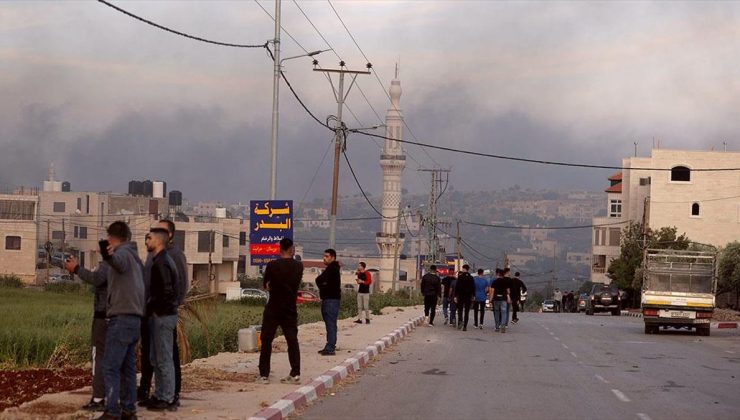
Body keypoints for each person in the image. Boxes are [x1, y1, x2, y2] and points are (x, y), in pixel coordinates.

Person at [65, 221, 145, 420]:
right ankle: (128, 410)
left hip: (120, 318)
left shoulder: (122, 255)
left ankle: (112, 411)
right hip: (135, 319)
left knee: (109, 365)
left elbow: (109, 269)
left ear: (111, 237)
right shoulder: (136, 258)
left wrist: (106, 256)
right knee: (127, 368)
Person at [138, 219, 188, 407]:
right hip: (151, 314)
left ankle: (169, 396)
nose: (147, 239)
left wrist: (163, 308)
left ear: (166, 237)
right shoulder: (155, 257)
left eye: (154, 234)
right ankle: (156, 393)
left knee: (167, 356)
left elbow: (175, 289)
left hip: (162, 314)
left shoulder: (171, 257)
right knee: (153, 356)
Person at [257, 238, 303, 384]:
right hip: (290, 308)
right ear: (292, 249)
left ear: (279, 249)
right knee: (292, 340)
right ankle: (295, 373)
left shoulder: (272, 265)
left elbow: (266, 285)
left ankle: (264, 374)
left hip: (274, 307)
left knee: (266, 340)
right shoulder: (299, 266)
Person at [69, 257, 109, 412]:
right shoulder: (132, 261)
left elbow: (96, 279)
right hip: (119, 318)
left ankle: (99, 398)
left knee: (98, 356)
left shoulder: (114, 261)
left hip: (104, 317)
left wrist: (77, 268)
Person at [316, 248, 341, 356]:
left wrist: (323, 285)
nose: (324, 258)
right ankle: (329, 345)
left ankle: (330, 347)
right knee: (330, 324)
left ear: (332, 257)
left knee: (330, 324)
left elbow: (319, 280)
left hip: (331, 300)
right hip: (329, 299)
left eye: (326, 256)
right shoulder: (332, 268)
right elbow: (321, 280)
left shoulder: (332, 268)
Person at [490, 268, 512, 333]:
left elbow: (492, 291)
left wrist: (491, 299)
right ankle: (503, 325)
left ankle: (497, 327)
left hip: (496, 299)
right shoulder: (505, 282)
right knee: (504, 312)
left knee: (497, 312)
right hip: (503, 299)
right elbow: (508, 291)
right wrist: (508, 297)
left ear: (499, 274)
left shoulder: (495, 281)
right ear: (503, 274)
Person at [454, 265, 475, 331]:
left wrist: (455, 296)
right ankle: (465, 326)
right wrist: (473, 296)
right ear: (468, 269)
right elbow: (473, 287)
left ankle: (460, 321)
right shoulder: (471, 278)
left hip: (461, 296)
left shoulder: (460, 277)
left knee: (460, 310)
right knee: (466, 312)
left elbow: (457, 287)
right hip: (468, 297)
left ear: (463, 269)